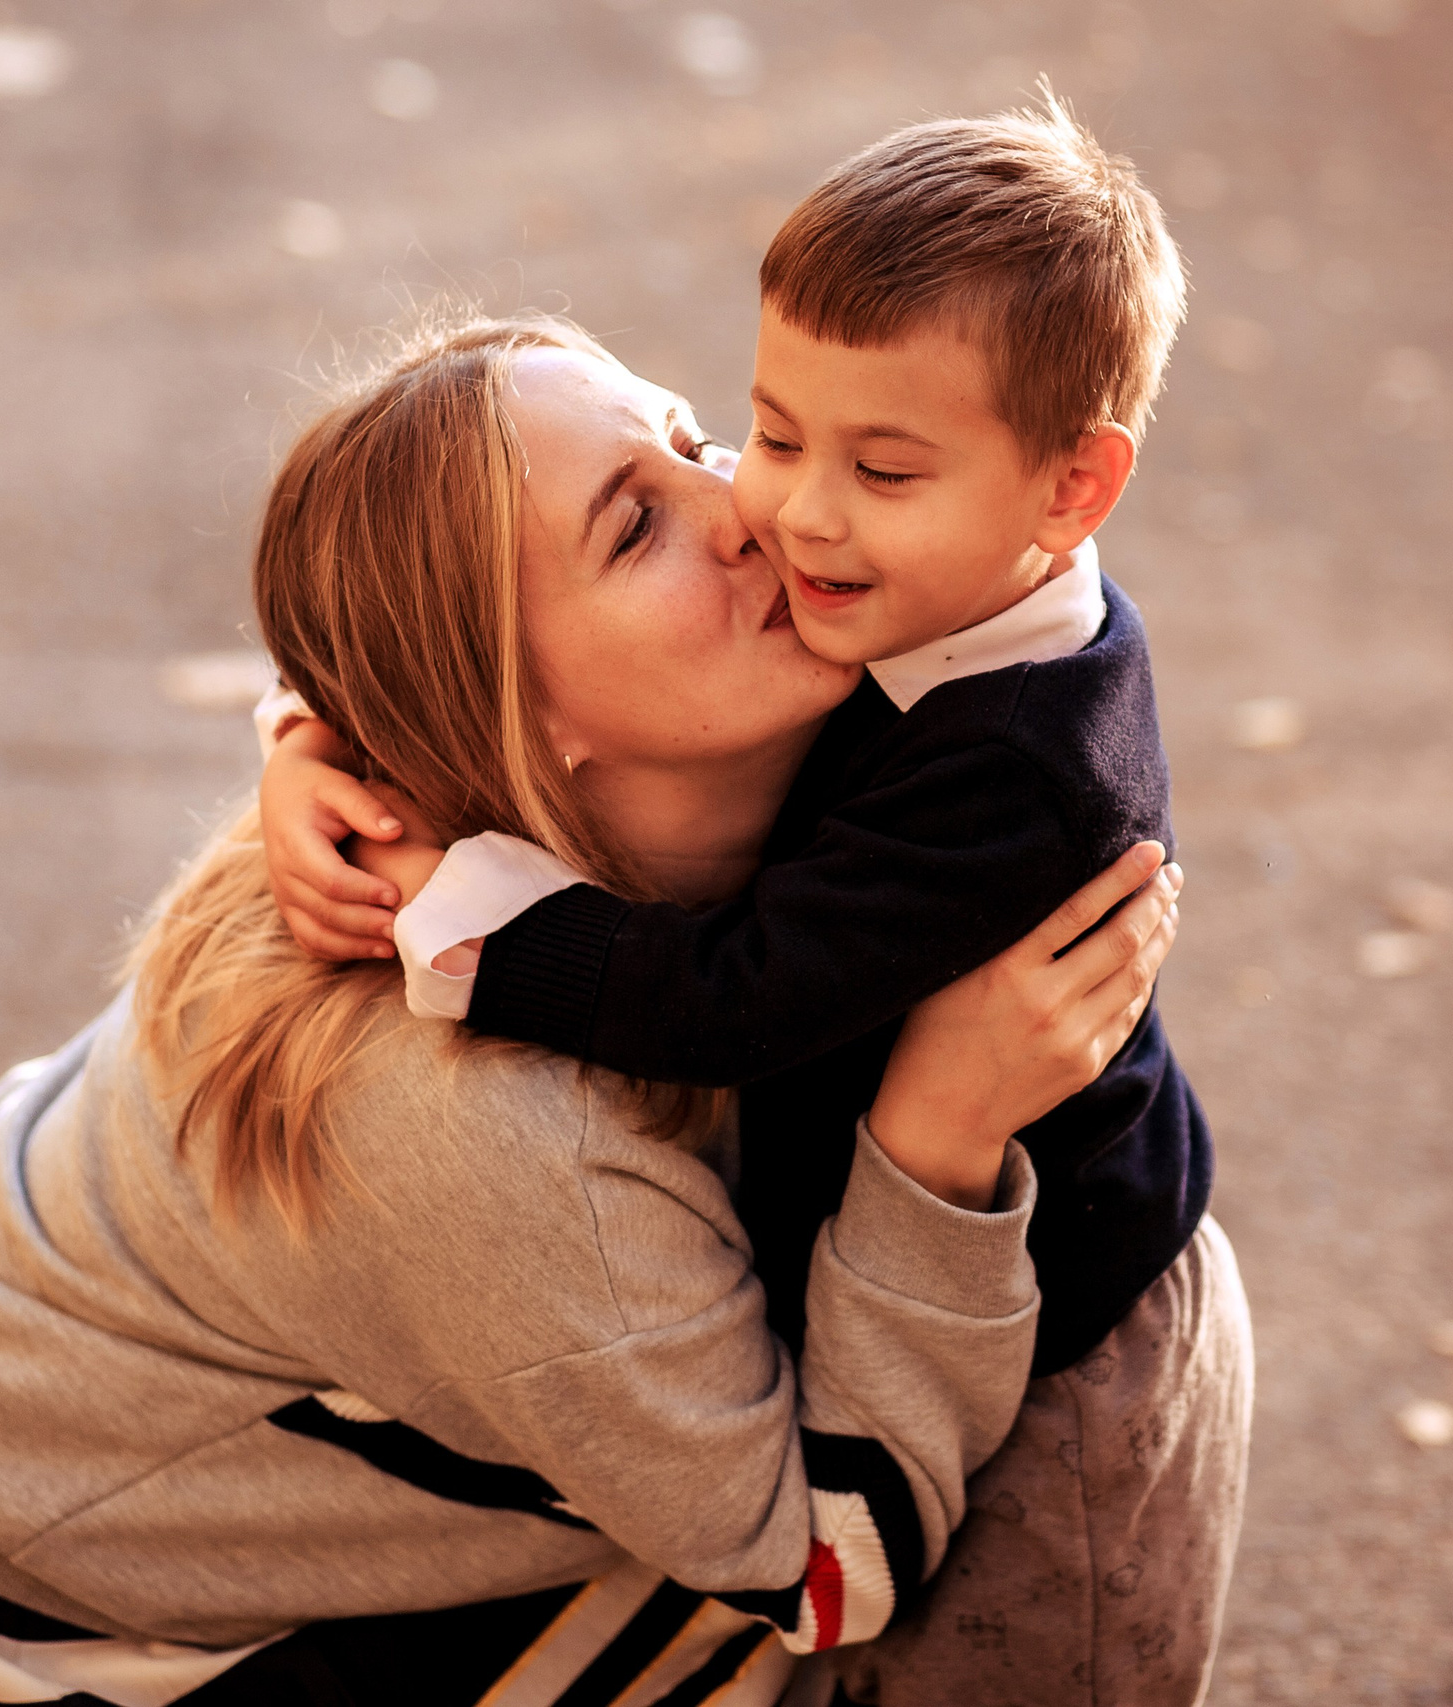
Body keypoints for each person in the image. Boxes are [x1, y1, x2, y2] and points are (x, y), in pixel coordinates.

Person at [0, 315, 1184, 1707]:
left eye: (694, 438)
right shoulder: (510, 1140)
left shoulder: (459, 798)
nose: (756, 507)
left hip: (56, 1447)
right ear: (513, 709)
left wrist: (306, 730)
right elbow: (825, 1568)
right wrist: (938, 1141)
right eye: (635, 529)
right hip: (13, 1649)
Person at [259, 102, 1250, 1706]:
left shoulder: (1019, 770)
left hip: (1069, 1351)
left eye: (881, 469)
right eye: (771, 433)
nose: (783, 513)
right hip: (922, 1289)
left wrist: (480, 932)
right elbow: (453, 629)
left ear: (1073, 489)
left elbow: (732, 998)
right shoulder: (932, 577)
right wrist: (314, 740)